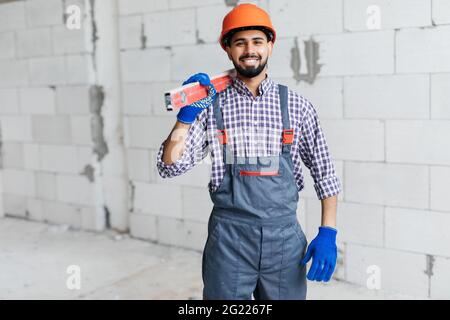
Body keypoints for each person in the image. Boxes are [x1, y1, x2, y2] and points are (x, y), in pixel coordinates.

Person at [157, 3, 341, 300]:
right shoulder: (210, 106)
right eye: (240, 42)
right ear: (228, 50)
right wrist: (185, 117)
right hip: (229, 242)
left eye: (257, 41)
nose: (249, 49)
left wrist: (329, 232)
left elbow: (325, 172)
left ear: (270, 45)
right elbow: (169, 167)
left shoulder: (297, 106)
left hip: (283, 242)